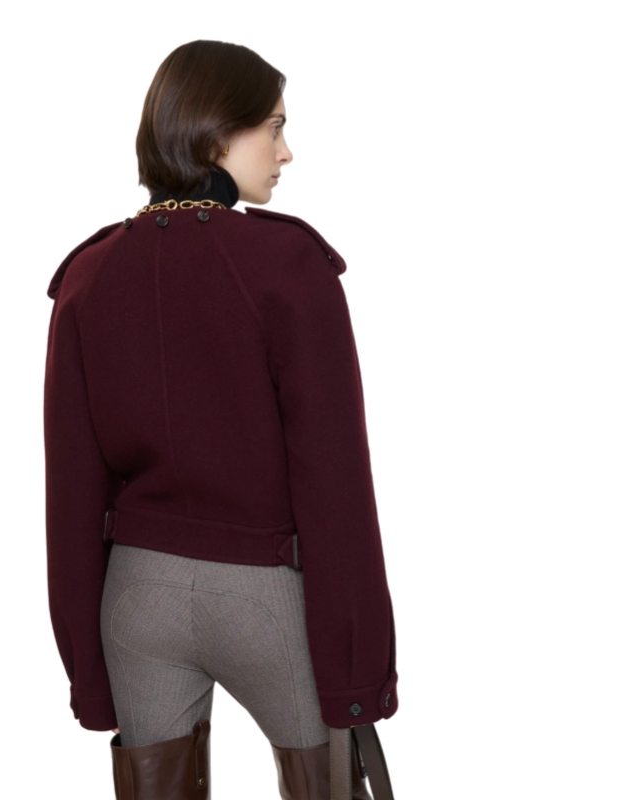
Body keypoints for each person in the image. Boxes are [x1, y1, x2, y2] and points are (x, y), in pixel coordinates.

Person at [43, 39, 398, 799]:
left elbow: (71, 487)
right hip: (267, 597)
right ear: (215, 135)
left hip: (137, 599)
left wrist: (88, 673)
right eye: (274, 127)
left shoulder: (88, 275)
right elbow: (333, 478)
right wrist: (359, 670)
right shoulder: (287, 265)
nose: (287, 151)